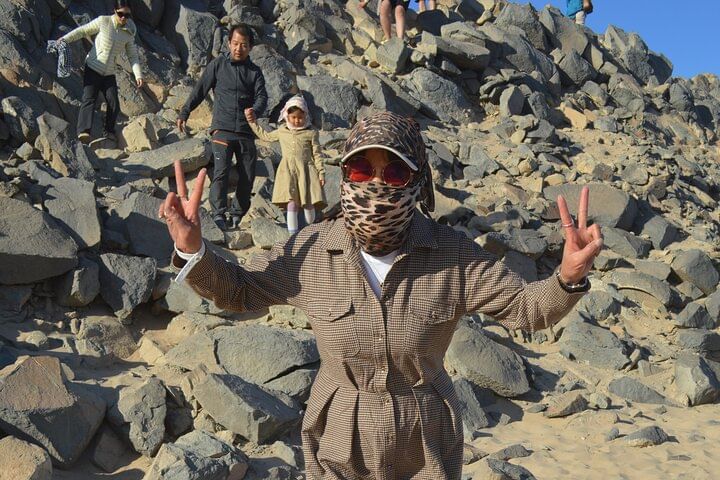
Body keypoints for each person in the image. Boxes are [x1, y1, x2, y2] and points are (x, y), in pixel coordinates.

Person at [159, 111, 603, 479]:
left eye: (394, 173)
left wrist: (567, 277)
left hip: (425, 442)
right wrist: (193, 249)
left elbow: (526, 309)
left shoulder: (453, 254)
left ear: (417, 182)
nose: (375, 184)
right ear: (343, 177)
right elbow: (240, 291)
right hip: (338, 437)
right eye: (360, 170)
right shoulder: (311, 250)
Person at [177, 23, 268, 231]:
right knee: (221, 172)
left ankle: (237, 214)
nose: (238, 48)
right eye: (235, 43)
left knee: (248, 175)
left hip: (246, 131)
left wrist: (255, 110)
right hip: (222, 129)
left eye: (243, 45)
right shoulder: (217, 65)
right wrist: (185, 112)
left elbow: (262, 96)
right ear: (228, 43)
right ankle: (218, 214)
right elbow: (200, 90)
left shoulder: (255, 72)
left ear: (250, 47)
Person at [59, 0, 143, 143]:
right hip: (93, 67)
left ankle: (108, 131)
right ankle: (83, 132)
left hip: (109, 73)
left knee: (114, 103)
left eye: (127, 15)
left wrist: (138, 75)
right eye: (120, 14)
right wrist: (65, 39)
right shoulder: (104, 21)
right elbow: (83, 31)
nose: (123, 17)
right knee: (89, 99)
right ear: (114, 11)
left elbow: (132, 56)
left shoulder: (129, 31)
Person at [245, 95, 326, 235]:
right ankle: (292, 235)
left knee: (308, 204)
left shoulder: (311, 133)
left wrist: (321, 173)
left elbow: (317, 154)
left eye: (300, 117)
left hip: (306, 171)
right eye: (293, 117)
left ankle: (311, 230)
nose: (297, 120)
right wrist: (252, 122)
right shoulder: (282, 131)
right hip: (287, 172)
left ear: (305, 116)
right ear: (287, 116)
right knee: (291, 204)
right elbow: (265, 136)